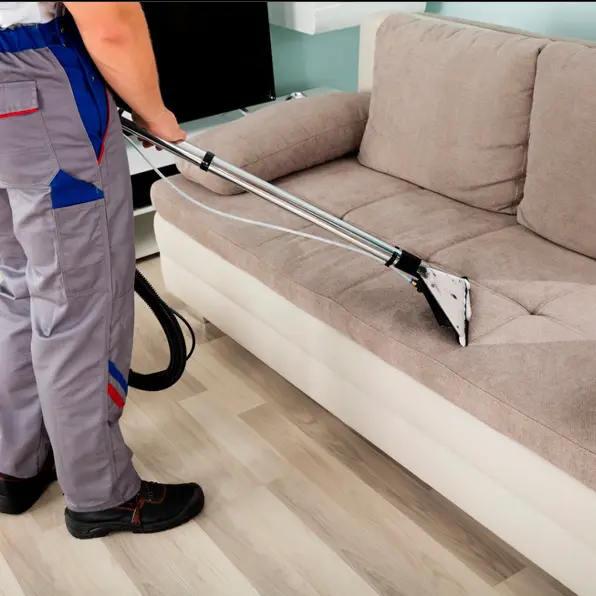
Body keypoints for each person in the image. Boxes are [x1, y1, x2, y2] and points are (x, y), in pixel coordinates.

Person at [0, 1, 205, 539]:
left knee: (18, 288)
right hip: (36, 86)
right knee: (79, 302)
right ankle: (102, 493)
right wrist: (155, 113)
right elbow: (111, 24)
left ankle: (16, 465)